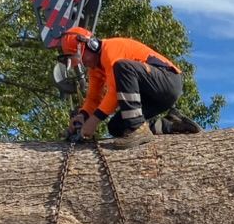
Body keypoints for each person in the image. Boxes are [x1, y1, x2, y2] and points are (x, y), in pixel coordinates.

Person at [59, 27, 199, 147]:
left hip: (169, 80)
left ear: (91, 45)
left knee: (123, 68)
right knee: (116, 127)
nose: (82, 63)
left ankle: (137, 128)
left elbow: (113, 92)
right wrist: (83, 116)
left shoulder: (111, 51)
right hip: (151, 95)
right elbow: (93, 98)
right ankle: (172, 124)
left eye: (81, 58)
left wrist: (94, 121)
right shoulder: (95, 70)